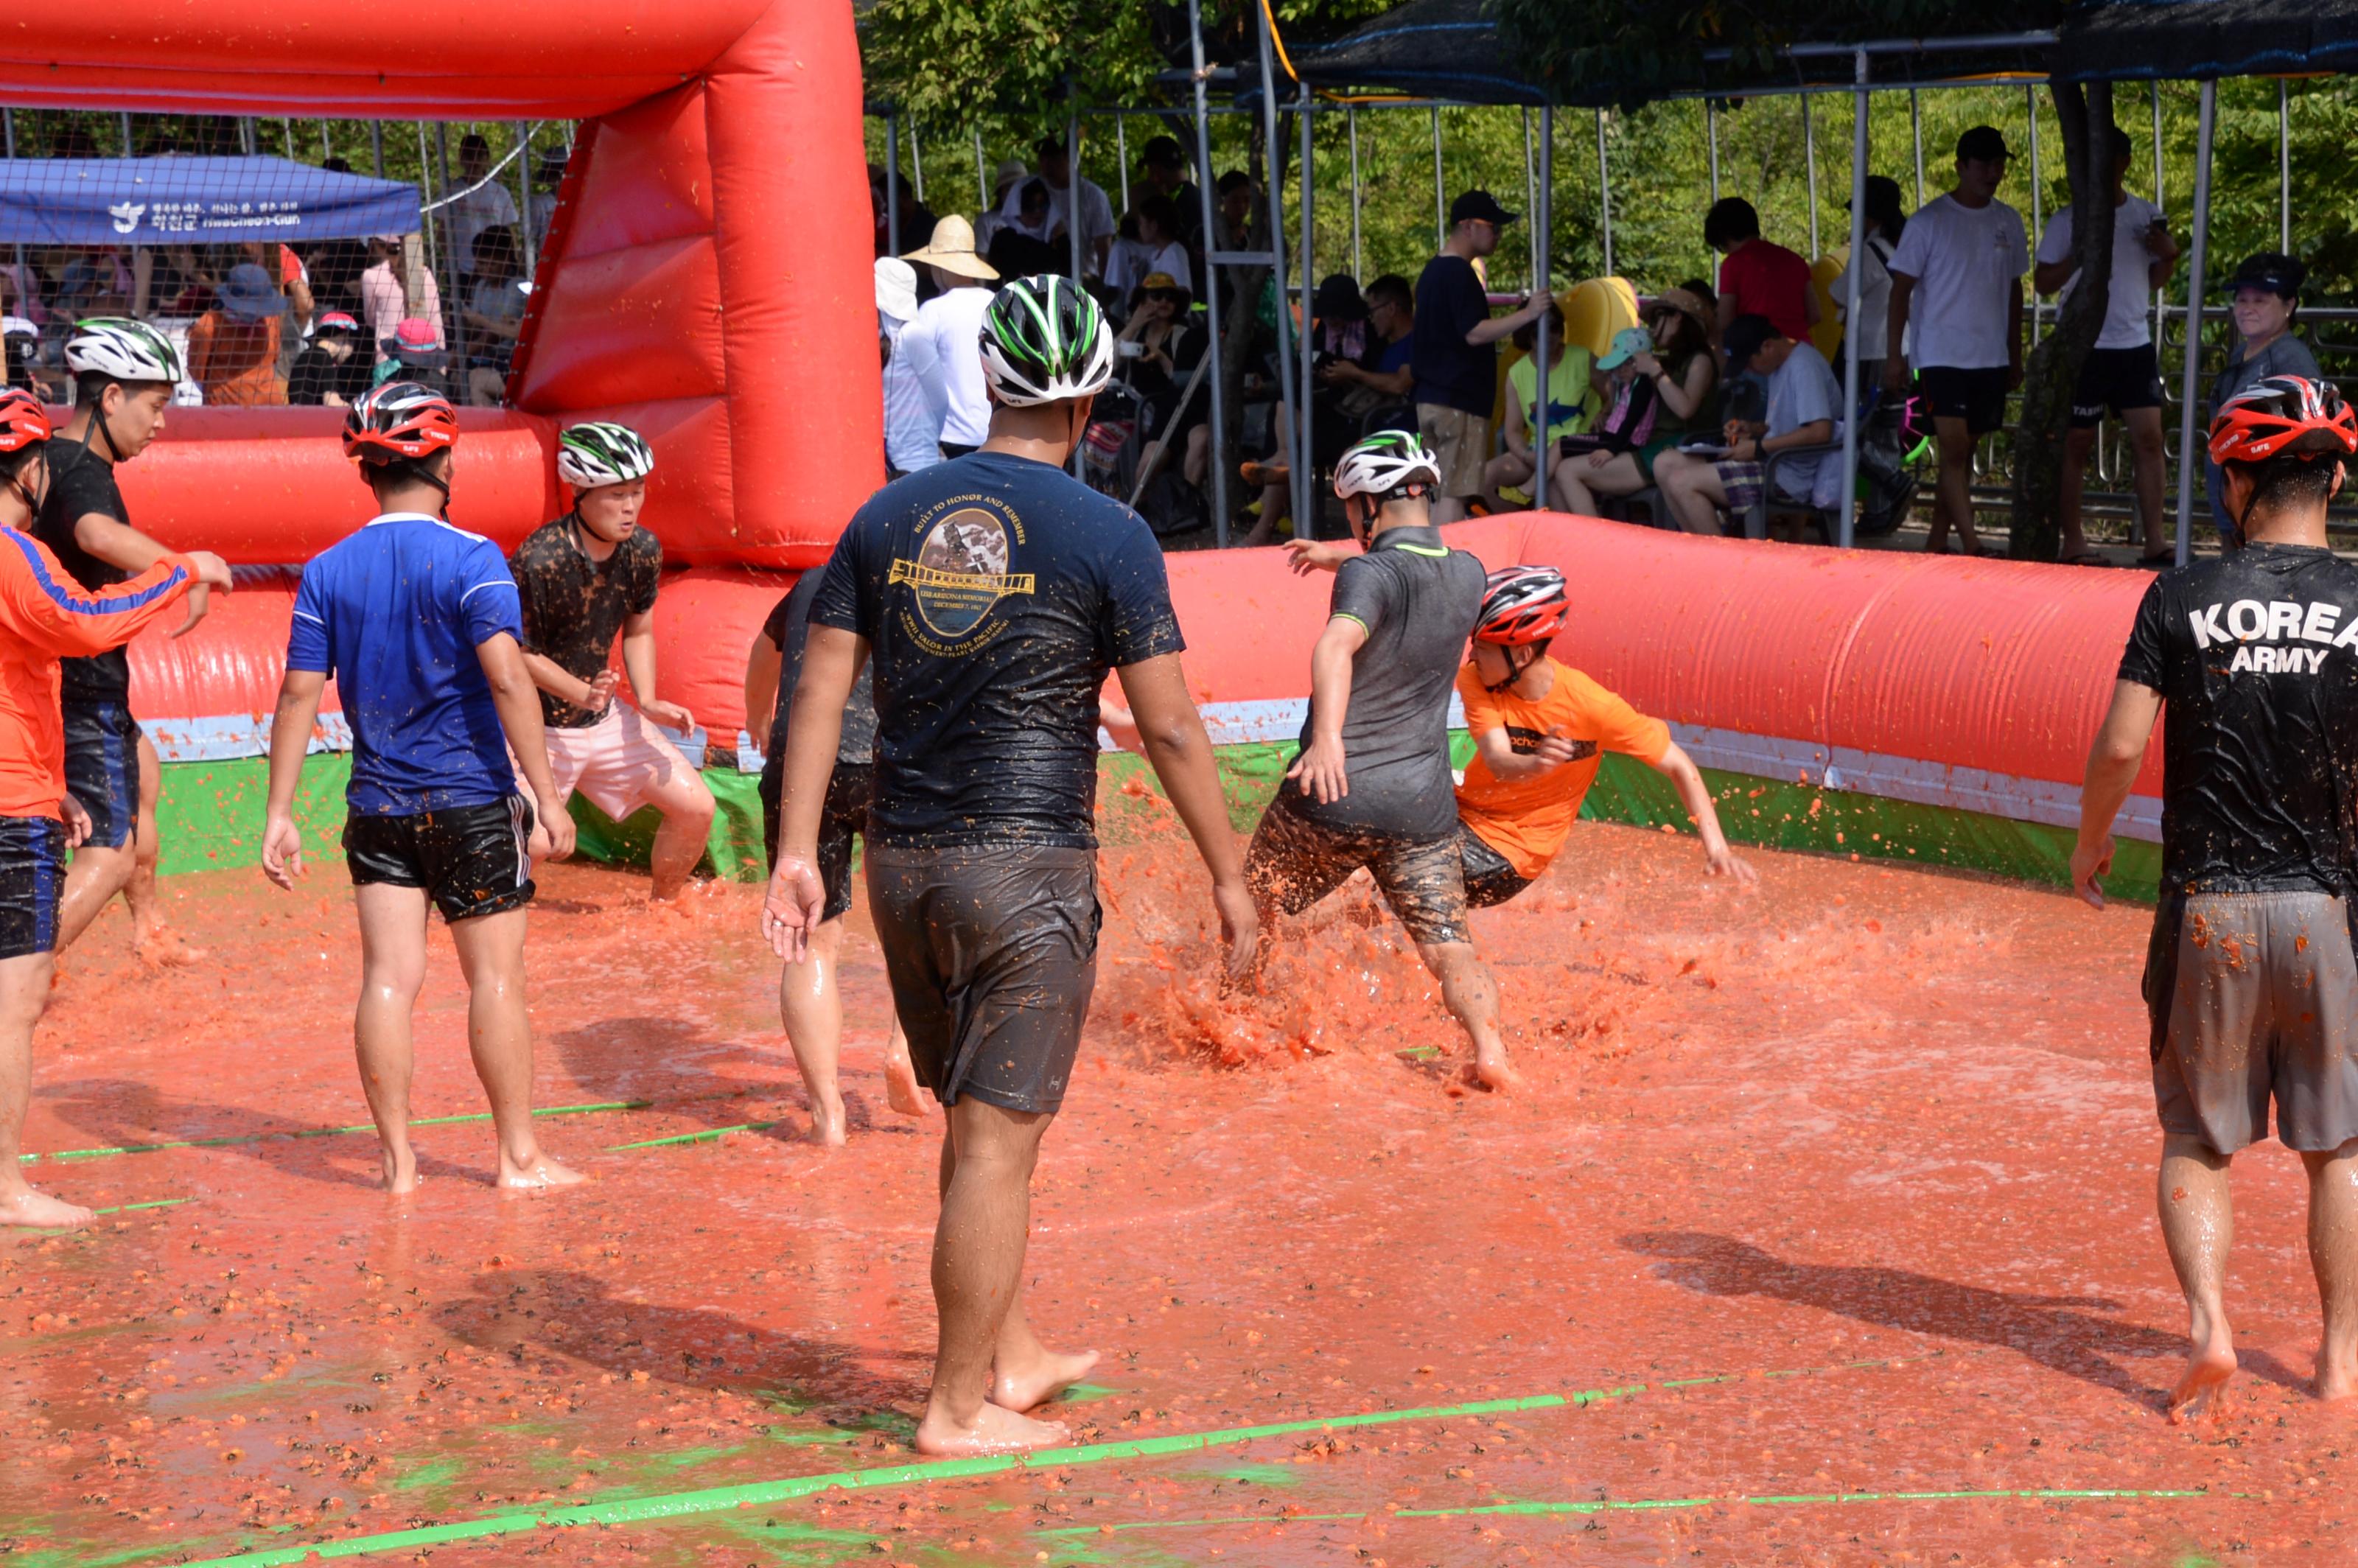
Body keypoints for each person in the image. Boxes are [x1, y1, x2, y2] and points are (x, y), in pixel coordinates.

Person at [764, 274, 1253, 1457]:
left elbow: (817, 685)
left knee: (972, 1123)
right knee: (996, 1144)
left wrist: (793, 851)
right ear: (1092, 402)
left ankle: (1012, 1353)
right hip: (1025, 873)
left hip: (902, 869)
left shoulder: (888, 516)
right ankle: (951, 1410)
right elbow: (1175, 729)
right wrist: (1232, 877)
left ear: (986, 383)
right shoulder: (1111, 534)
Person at [2072, 374, 2358, 1422]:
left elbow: (2119, 744)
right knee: (2342, 1147)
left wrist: (2091, 843)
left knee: (2198, 1139)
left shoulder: (2179, 598)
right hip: (2333, 914)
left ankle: (2209, 1329)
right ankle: (2340, 1363)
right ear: (2335, 476)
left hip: (2209, 912)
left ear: (2232, 480)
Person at [259, 382, 584, 1195]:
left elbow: (298, 693)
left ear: (366, 470)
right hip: (471, 802)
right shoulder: (474, 558)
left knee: (386, 982)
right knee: (497, 982)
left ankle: (397, 1164)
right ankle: (516, 1159)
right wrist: (547, 796)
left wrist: (279, 810)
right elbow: (509, 680)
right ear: (444, 461)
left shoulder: (327, 571)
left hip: (376, 808)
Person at [0, 389, 229, 1229]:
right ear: (31, 471)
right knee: (16, 1001)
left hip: (27, 783)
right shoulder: (15, 553)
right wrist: (179, 570)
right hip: (7, 805)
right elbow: (85, 622)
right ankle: (3, 1189)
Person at [1239, 431, 1511, 1087]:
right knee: (1451, 951)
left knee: (1254, 901)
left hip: (1337, 794)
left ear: (1368, 505)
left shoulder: (1370, 573)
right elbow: (1411, 571)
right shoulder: (1471, 572)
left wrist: (1329, 739)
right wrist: (1337, 559)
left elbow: (1335, 646)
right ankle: (1491, 1052)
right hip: (1422, 811)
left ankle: (1235, 1009)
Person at [31, 321, 214, 960]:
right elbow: (95, 536)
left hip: (63, 682)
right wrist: (182, 567)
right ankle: (18, 974)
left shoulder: (49, 456)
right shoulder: (85, 471)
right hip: (83, 692)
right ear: (111, 399)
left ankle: (149, 927)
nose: (161, 423)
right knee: (108, 855)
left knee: (145, 773)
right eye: (156, 405)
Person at [745, 572, 920, 1143]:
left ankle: (828, 1117)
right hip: (890, 764)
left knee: (810, 941)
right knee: (915, 925)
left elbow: (765, 650)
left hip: (803, 762)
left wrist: (759, 721)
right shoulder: (929, 579)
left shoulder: (815, 579)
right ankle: (903, 1050)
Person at [507, 423, 713, 902]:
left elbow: (638, 630)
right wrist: (578, 691)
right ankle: (477, 922)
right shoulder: (541, 559)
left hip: (602, 718)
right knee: (537, 842)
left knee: (697, 808)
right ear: (579, 490)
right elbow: (516, 651)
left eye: (637, 492)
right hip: (534, 727)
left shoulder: (643, 550)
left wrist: (648, 698)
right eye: (617, 494)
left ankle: (662, 907)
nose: (630, 507)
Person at [2036, 126, 2180, 567]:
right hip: (2084, 345)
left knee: (2150, 439)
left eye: (2111, 161)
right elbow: (2042, 284)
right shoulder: (2069, 219)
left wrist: (2170, 256)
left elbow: (2152, 278)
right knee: (2076, 443)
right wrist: (2076, 257)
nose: (2104, 170)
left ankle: (2155, 540)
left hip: (2133, 343)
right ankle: (2073, 540)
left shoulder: (2146, 214)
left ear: (2125, 163)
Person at [1886, 125, 2028, 558]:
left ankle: (1937, 535)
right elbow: (1900, 291)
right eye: (1985, 164)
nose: (1994, 172)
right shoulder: (1928, 221)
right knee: (1952, 446)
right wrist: (1896, 355)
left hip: (1990, 355)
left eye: (2000, 163)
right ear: (1961, 167)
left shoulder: (2009, 219)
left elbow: (2016, 287)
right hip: (1940, 355)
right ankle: (1972, 543)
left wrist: (2015, 352)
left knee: (1965, 450)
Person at [1412, 192, 1554, 524]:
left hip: (1430, 398)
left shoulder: (1432, 272)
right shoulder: (1460, 274)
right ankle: (1441, 569)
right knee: (1454, 493)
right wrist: (1528, 314)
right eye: (1493, 226)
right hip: (1458, 402)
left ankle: (1429, 561)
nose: (1498, 235)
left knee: (1436, 490)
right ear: (1467, 227)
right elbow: (1474, 332)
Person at [1654, 315, 1841, 536]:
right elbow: (1790, 424)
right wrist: (1752, 429)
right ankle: (1700, 547)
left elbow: (1820, 431)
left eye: (1749, 362)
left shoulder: (1803, 368)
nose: (1750, 370)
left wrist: (1759, 447)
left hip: (1788, 477)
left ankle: (1722, 560)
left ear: (1767, 346)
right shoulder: (1778, 364)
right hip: (1771, 461)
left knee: (1681, 482)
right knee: (1664, 464)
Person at [1548, 287, 1721, 520]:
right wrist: (1606, 409)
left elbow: (1685, 409)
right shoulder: (1669, 361)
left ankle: (1592, 544)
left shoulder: (1700, 361)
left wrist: (1656, 372)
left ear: (1677, 318)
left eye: (1659, 318)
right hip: (1651, 447)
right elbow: (1630, 392)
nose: (1652, 328)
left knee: (1567, 471)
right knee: (1557, 473)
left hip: (1674, 447)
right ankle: (1566, 542)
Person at [2207, 253, 2320, 545]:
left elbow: (2311, 440)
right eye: (2242, 300)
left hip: (2268, 517)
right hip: (2236, 508)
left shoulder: (2292, 360)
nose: (2247, 309)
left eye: (2260, 301)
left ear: (2289, 305)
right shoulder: (2242, 353)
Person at [896, 217, 1001, 462]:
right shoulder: (996, 303)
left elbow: (912, 377)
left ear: (941, 268)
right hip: (997, 431)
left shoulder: (933, 310)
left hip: (950, 438)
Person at [1485, 304, 1596, 511]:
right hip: (1536, 451)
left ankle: (1560, 535)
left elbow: (1614, 396)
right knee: (1486, 476)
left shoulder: (1583, 358)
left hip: (1577, 449)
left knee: (1555, 481)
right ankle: (1517, 529)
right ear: (1527, 334)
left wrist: (1604, 415)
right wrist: (1527, 455)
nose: (1548, 335)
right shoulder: (1517, 373)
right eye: (1538, 330)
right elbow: (1513, 431)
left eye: (1554, 327)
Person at [1828, 175, 1906, 391]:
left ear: (1865, 215)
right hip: (1905, 350)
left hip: (1871, 355)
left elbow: (1838, 296)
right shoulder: (1906, 246)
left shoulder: (1869, 254)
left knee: (1865, 421)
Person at [1705, 197, 1818, 344]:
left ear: (1725, 238)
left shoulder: (1733, 264)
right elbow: (1815, 314)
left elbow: (1725, 321)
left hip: (1761, 354)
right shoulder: (1795, 260)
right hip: (1801, 349)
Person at [998, 136, 1115, 277]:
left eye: (1054, 158)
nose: (1047, 164)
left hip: (1085, 277)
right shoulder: (1031, 188)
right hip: (1043, 277)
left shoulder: (1094, 196)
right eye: (1043, 159)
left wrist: (1103, 286)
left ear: (1069, 157)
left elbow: (1103, 248)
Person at [186, 262, 288, 406]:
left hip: (270, 411)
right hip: (225, 415)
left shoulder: (271, 318)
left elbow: (274, 358)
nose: (256, 314)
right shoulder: (209, 326)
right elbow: (197, 373)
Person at [875, 257, 936, 480]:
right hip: (885, 459)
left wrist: (926, 438)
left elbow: (939, 399)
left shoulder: (913, 335)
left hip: (916, 460)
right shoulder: (878, 336)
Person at [1320, 272, 1415, 406]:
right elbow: (1379, 384)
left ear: (1391, 308)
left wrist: (1355, 373)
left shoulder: (1418, 343)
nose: (1371, 319)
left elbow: (1399, 385)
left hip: (1399, 425)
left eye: (1372, 312)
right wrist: (1343, 377)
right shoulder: (1390, 347)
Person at [462, 225, 528, 405]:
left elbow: (497, 335)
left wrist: (462, 354)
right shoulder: (481, 286)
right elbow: (476, 329)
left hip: (509, 362)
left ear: (506, 260)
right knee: (455, 378)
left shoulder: (516, 287)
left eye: (493, 264)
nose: (487, 269)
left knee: (475, 380)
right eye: (482, 264)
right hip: (486, 357)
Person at [359, 235, 443, 364]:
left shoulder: (371, 276)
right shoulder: (425, 273)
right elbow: (436, 318)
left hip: (389, 358)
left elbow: (371, 320)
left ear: (375, 243)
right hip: (427, 357)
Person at [448, 133, 521, 283]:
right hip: (463, 269)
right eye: (468, 155)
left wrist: (513, 262)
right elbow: (443, 232)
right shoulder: (451, 192)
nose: (474, 160)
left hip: (496, 269)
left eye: (479, 155)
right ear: (461, 159)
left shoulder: (500, 192)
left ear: (487, 159)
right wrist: (454, 263)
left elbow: (510, 231)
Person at [1105, 195, 1190, 302]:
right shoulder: (1156, 254)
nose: (1139, 229)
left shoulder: (1174, 254)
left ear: (1154, 226)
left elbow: (1181, 293)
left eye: (1141, 223)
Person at [288, 310, 373, 407]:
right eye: (353, 343)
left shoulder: (306, 357)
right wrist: (360, 411)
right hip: (312, 420)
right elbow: (332, 403)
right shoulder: (323, 358)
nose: (353, 350)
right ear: (345, 337)